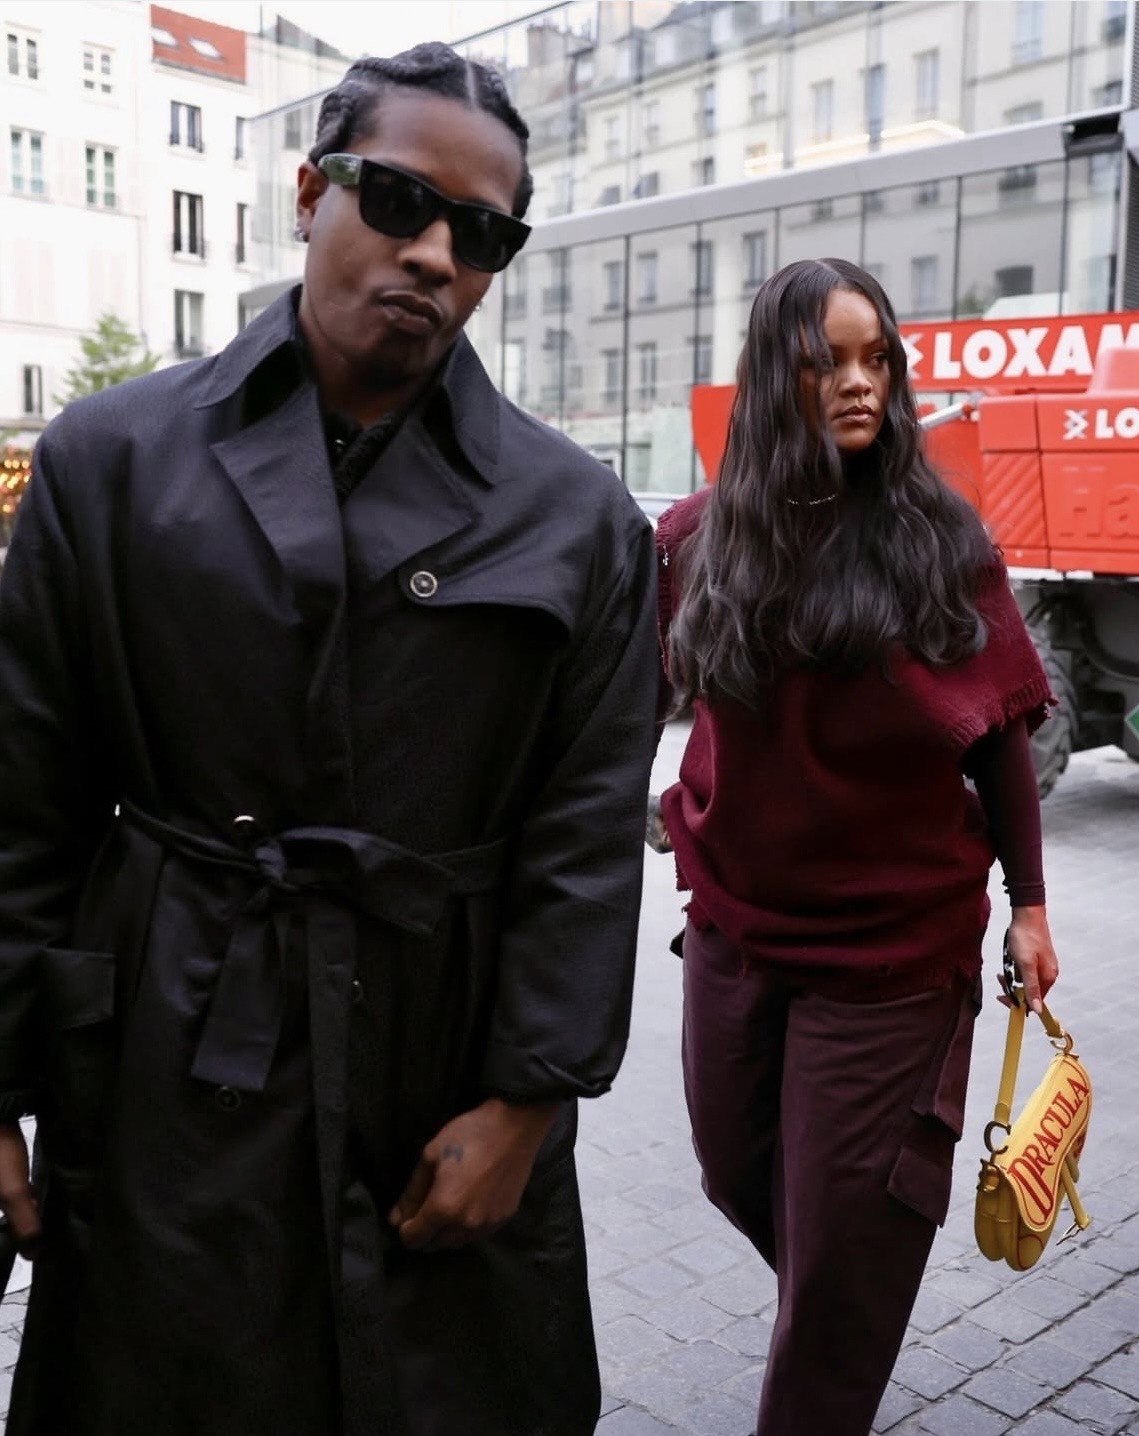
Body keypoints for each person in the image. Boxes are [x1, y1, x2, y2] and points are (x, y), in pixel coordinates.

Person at [0, 44, 659, 1436]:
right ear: (310, 194)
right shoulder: (112, 460)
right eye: (399, 201)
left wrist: (528, 1108)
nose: (434, 254)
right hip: (172, 1050)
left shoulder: (579, 518)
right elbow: (23, 797)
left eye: (480, 235)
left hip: (438, 1068)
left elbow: (587, 838)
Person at [653, 257, 1060, 1436]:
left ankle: (832, 1338)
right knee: (738, 1172)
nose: (858, 382)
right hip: (736, 929)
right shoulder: (696, 541)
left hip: (892, 955)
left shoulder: (938, 540)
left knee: (841, 1256)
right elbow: (632, 712)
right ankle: (841, 1302)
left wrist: (1030, 906)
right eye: (826, 359)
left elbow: (999, 738)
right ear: (771, 373)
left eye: (877, 358)